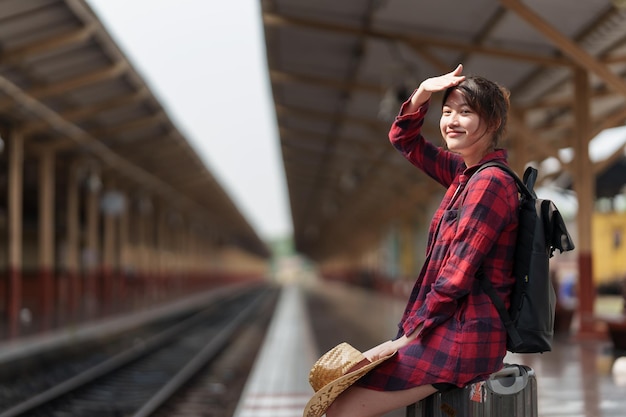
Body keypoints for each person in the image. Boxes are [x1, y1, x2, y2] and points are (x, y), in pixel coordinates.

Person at [324, 64, 519, 417]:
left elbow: (456, 275)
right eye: (447, 112)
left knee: (342, 407)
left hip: (466, 337)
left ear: (492, 123)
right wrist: (423, 93)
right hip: (449, 329)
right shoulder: (464, 174)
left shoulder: (490, 183)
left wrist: (404, 339)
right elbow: (405, 141)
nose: (452, 121)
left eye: (465, 112)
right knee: (345, 391)